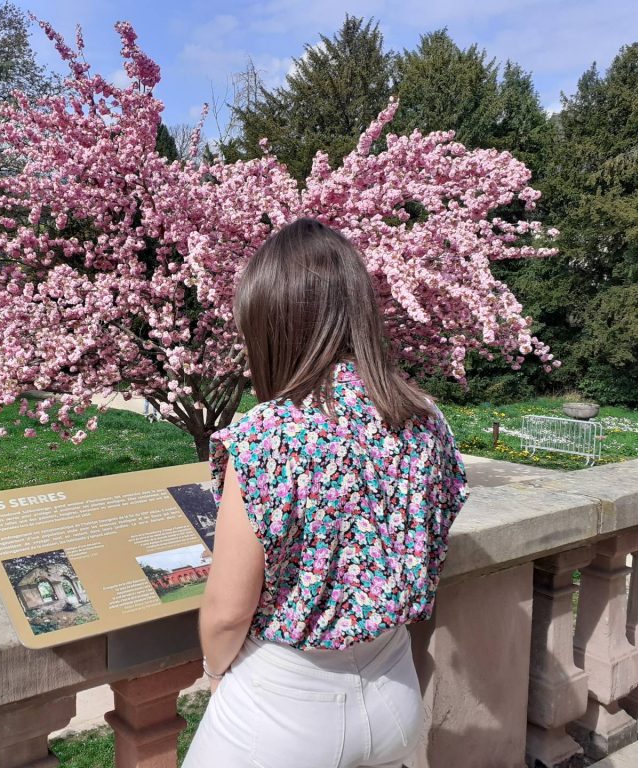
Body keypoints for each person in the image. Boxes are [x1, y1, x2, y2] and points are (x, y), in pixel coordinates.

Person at [182, 218, 468, 768]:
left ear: (273, 325)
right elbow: (431, 540)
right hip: (395, 689)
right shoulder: (423, 419)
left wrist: (216, 675)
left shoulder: (266, 435)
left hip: (284, 706)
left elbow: (226, 612)